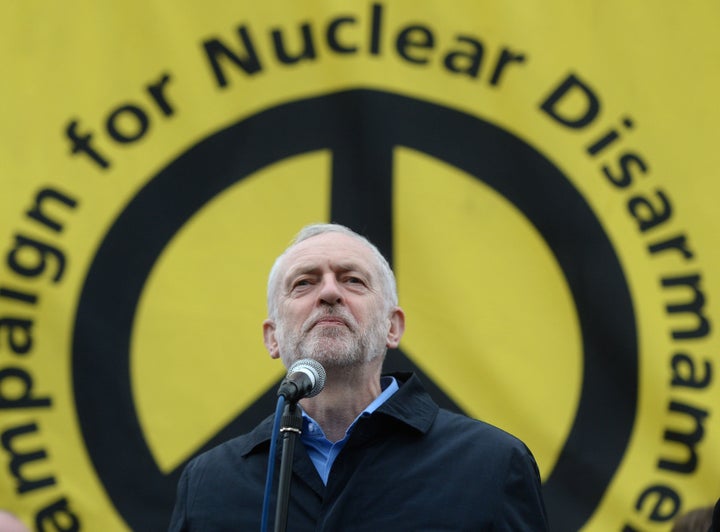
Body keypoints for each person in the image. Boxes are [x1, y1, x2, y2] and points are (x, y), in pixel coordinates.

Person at [169, 223, 549, 530]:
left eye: (353, 280)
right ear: (272, 337)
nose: (330, 292)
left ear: (392, 327)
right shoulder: (209, 483)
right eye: (304, 282)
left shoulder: (491, 464)